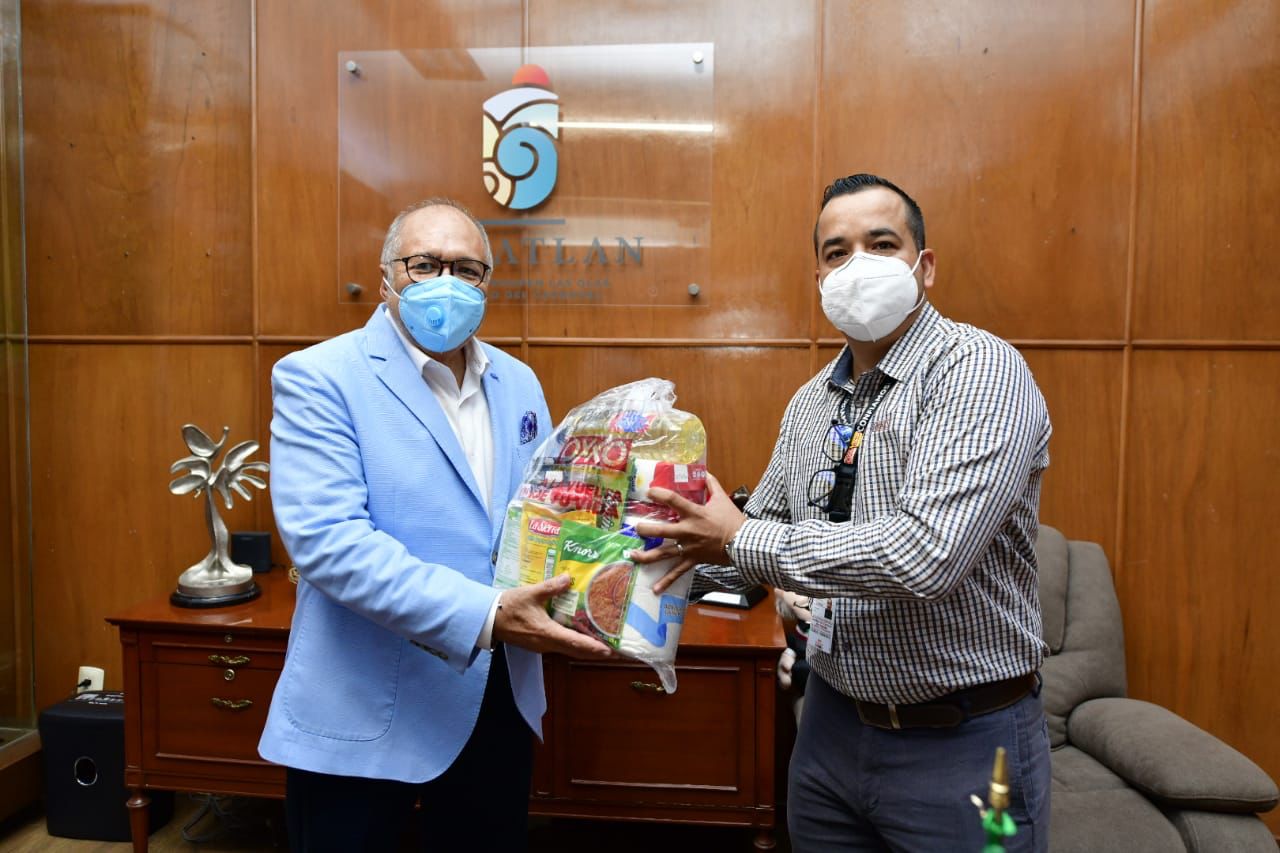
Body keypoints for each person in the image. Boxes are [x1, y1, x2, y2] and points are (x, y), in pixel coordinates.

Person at [635, 174, 1053, 852]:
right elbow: (752, 538)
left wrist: (738, 536)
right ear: (820, 278)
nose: (857, 265)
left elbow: (927, 555)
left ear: (925, 265)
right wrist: (641, 532)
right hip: (829, 729)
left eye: (881, 244)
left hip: (965, 740)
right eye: (837, 252)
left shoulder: (977, 370)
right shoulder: (810, 403)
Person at [258, 198, 611, 853]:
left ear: (487, 283)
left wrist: (617, 547)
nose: (446, 282)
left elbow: (543, 516)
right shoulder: (319, 376)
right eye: (424, 264)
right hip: (365, 708)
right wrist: (488, 614)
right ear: (387, 277)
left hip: (493, 704)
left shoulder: (519, 381)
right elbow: (330, 544)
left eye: (467, 269)